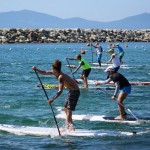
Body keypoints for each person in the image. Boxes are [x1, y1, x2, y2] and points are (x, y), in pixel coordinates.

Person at [32, 60, 80, 130]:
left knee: (69, 109)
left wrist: (52, 99)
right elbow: (45, 72)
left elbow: (60, 91)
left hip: (75, 91)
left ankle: (68, 126)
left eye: (52, 69)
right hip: (71, 91)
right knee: (65, 108)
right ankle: (71, 125)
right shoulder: (55, 73)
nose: (51, 70)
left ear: (55, 69)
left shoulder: (61, 77)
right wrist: (36, 69)